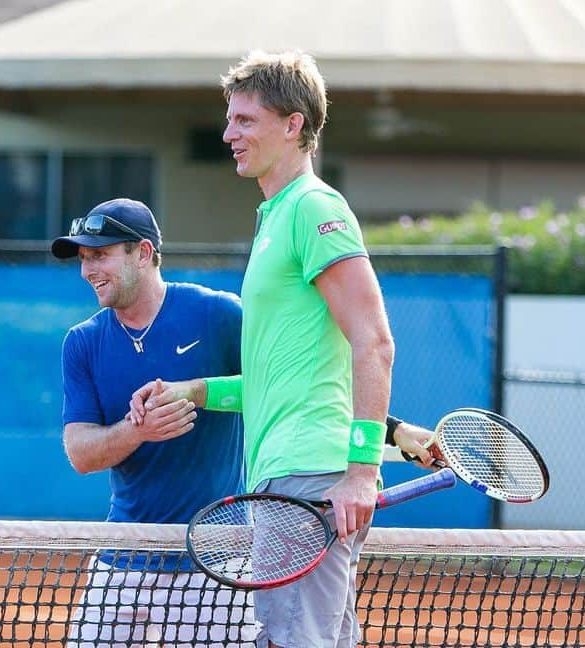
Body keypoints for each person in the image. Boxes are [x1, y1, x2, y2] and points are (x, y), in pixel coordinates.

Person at [129, 50, 436, 648]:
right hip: (294, 477)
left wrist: (362, 469)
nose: (228, 134)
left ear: (293, 124)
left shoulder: (315, 209)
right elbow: (275, 382)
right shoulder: (277, 217)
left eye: (245, 120)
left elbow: (374, 341)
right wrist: (190, 390)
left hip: (306, 480)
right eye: (230, 119)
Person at [52, 197, 255, 646]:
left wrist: (198, 391)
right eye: (84, 259)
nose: (88, 271)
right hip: (125, 553)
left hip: (216, 555)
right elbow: (81, 454)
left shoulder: (219, 315)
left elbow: (280, 388)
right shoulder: (82, 343)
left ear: (143, 253)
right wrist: (137, 430)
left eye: (100, 255)